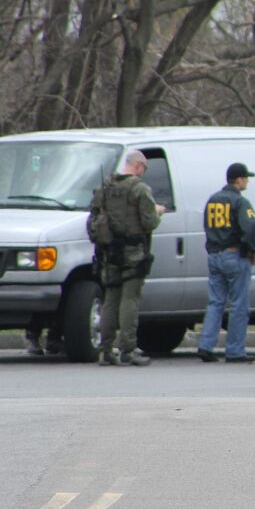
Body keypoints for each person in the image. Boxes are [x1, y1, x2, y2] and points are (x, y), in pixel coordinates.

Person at [87, 150, 165, 366]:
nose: (144, 172)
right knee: (130, 299)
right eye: (145, 168)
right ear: (138, 165)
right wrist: (158, 211)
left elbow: (94, 215)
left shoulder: (106, 186)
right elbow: (149, 222)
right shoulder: (140, 189)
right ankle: (128, 350)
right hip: (133, 252)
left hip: (109, 252)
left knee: (110, 300)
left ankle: (105, 350)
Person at [196, 162, 255, 362]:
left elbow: (206, 226)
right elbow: (249, 228)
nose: (247, 181)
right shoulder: (240, 202)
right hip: (234, 255)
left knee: (215, 302)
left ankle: (206, 345)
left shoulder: (213, 200)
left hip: (214, 255)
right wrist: (251, 250)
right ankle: (235, 351)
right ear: (239, 179)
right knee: (239, 305)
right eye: (246, 178)